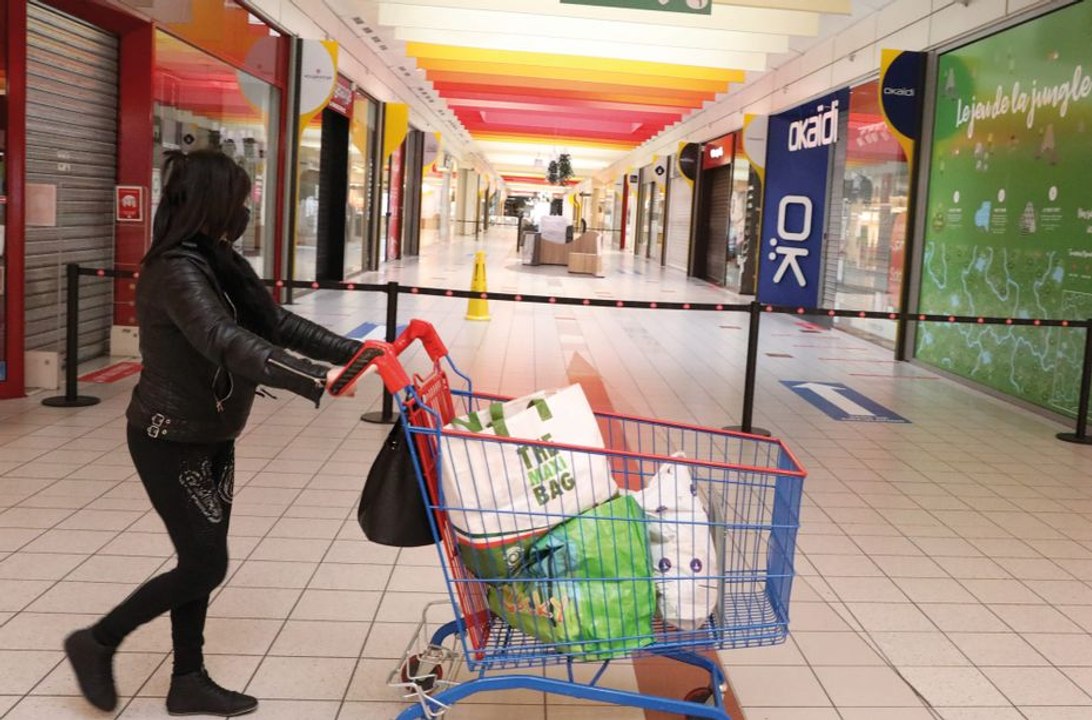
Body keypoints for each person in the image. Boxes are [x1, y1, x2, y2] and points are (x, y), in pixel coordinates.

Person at [64, 150, 363, 717]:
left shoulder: (217, 258)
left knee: (200, 557)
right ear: (214, 201)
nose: (247, 209)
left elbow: (274, 323)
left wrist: (360, 352)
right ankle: (97, 641)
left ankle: (187, 680)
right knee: (205, 563)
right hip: (168, 436)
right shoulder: (176, 269)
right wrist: (314, 378)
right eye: (242, 199)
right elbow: (222, 338)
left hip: (212, 431)